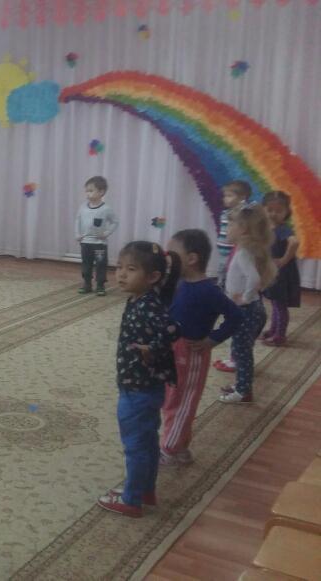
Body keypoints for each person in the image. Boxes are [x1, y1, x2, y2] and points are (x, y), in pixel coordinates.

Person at [97, 242, 181, 518]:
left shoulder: (149, 306)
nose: (121, 274)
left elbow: (173, 329)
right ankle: (146, 490)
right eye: (119, 267)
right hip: (139, 385)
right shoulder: (138, 300)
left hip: (139, 389)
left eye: (131, 269)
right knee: (147, 441)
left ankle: (131, 499)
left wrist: (151, 350)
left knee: (135, 445)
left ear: (153, 276)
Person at [159, 229, 241, 465]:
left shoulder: (208, 290)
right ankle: (180, 447)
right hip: (173, 349)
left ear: (192, 258)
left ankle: (169, 449)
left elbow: (236, 316)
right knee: (172, 398)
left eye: (172, 253)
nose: (167, 258)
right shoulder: (179, 283)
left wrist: (212, 339)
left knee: (184, 401)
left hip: (191, 353)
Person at [218, 205, 276, 404]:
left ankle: (243, 392)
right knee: (241, 351)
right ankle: (241, 385)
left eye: (230, 225)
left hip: (246, 310)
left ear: (242, 229)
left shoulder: (243, 253)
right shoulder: (245, 251)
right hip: (253, 310)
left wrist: (245, 297)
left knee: (242, 353)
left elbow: (254, 278)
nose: (226, 229)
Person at [212, 180, 252, 373]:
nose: (225, 199)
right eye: (225, 195)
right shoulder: (226, 214)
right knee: (224, 285)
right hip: (224, 257)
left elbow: (252, 279)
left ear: (242, 197)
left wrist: (245, 296)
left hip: (234, 257)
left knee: (239, 325)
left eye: (230, 195)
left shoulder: (243, 214)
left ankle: (236, 360)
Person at [261, 191, 301, 347]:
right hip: (272, 272)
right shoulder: (268, 228)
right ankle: (273, 330)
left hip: (282, 274)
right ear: (263, 209)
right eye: (269, 210)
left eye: (278, 211)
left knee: (280, 305)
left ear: (286, 212)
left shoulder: (283, 229)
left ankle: (280, 335)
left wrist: (284, 259)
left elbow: (294, 242)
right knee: (274, 303)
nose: (273, 214)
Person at [74, 176, 118, 296]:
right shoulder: (83, 207)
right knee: (86, 263)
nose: (88, 194)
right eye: (86, 191)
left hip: (99, 245)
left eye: (91, 190)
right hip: (86, 243)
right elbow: (77, 220)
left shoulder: (106, 209)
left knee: (100, 264)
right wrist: (77, 234)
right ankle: (87, 283)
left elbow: (115, 222)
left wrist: (106, 233)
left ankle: (100, 285)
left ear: (101, 192)